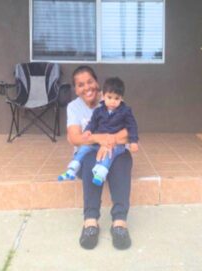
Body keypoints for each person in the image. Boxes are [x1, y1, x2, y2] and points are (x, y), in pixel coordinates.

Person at [61, 66, 134, 250]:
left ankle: (119, 222)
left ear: (97, 82)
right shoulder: (74, 107)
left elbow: (128, 132)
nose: (87, 88)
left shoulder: (112, 96)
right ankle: (91, 221)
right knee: (90, 159)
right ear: (76, 89)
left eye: (90, 82)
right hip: (89, 155)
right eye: (80, 85)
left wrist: (109, 142)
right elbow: (75, 138)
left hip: (114, 152)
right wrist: (100, 139)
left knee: (123, 159)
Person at [58, 76, 139, 186]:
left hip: (116, 145)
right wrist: (87, 130)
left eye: (117, 98)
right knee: (85, 147)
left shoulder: (125, 111)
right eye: (109, 97)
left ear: (121, 99)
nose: (113, 101)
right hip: (99, 142)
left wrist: (134, 141)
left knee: (109, 152)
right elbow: (93, 123)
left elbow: (132, 126)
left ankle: (101, 172)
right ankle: (73, 167)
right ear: (103, 96)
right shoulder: (99, 111)